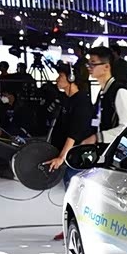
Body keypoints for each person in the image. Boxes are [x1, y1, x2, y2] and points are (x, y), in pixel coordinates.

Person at [44, 62, 94, 240]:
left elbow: (74, 134)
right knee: (70, 195)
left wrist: (61, 157)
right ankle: (70, 228)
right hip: (68, 157)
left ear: (71, 79)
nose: (57, 79)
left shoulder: (81, 102)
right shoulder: (66, 100)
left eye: (61, 76)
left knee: (77, 196)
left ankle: (79, 231)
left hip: (77, 158)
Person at [85, 46, 127, 147]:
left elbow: (126, 128)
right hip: (101, 148)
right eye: (88, 63)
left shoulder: (120, 92)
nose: (89, 67)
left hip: (112, 150)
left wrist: (98, 137)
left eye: (93, 63)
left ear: (106, 67)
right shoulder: (103, 92)